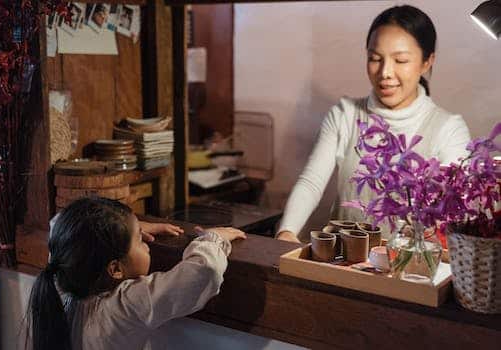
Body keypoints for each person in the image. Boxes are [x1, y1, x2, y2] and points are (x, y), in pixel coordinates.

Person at [277, 5, 471, 243]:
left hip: (410, 270)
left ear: (427, 62)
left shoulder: (448, 128)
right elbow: (311, 183)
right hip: (342, 263)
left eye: (400, 60)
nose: (385, 72)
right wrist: (286, 231)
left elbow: (454, 206)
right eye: (375, 59)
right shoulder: (345, 115)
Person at [24, 197, 246, 349]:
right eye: (140, 240)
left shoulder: (61, 277)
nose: (147, 245)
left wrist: (124, 229)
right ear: (116, 269)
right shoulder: (125, 304)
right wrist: (213, 239)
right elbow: (206, 271)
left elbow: (60, 224)